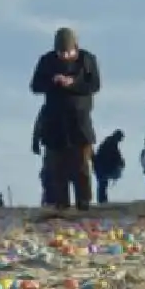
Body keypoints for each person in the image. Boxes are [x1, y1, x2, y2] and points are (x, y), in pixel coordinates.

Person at [30, 27, 101, 211]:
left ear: (75, 48)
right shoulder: (47, 61)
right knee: (56, 166)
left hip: (80, 121)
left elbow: (94, 85)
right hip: (54, 121)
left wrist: (73, 83)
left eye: (67, 52)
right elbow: (35, 86)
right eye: (60, 52)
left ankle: (83, 202)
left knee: (81, 165)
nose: (64, 56)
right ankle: (61, 204)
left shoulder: (87, 59)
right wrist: (53, 81)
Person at [93, 130, 126, 204]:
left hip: (100, 166)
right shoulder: (111, 143)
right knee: (102, 184)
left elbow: (116, 155)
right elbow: (114, 155)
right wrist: (119, 162)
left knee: (103, 184)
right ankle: (102, 200)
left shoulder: (110, 142)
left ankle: (102, 200)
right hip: (101, 166)